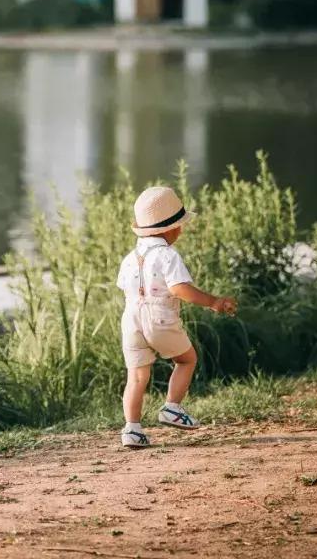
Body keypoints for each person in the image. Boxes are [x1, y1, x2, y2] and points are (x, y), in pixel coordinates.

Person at [116, 186, 237, 449]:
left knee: (136, 377)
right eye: (180, 226)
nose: (181, 231)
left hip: (130, 319)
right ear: (169, 229)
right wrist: (213, 302)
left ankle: (132, 429)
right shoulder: (167, 255)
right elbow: (180, 289)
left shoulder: (129, 258)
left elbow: (124, 288)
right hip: (158, 317)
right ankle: (171, 407)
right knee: (186, 359)